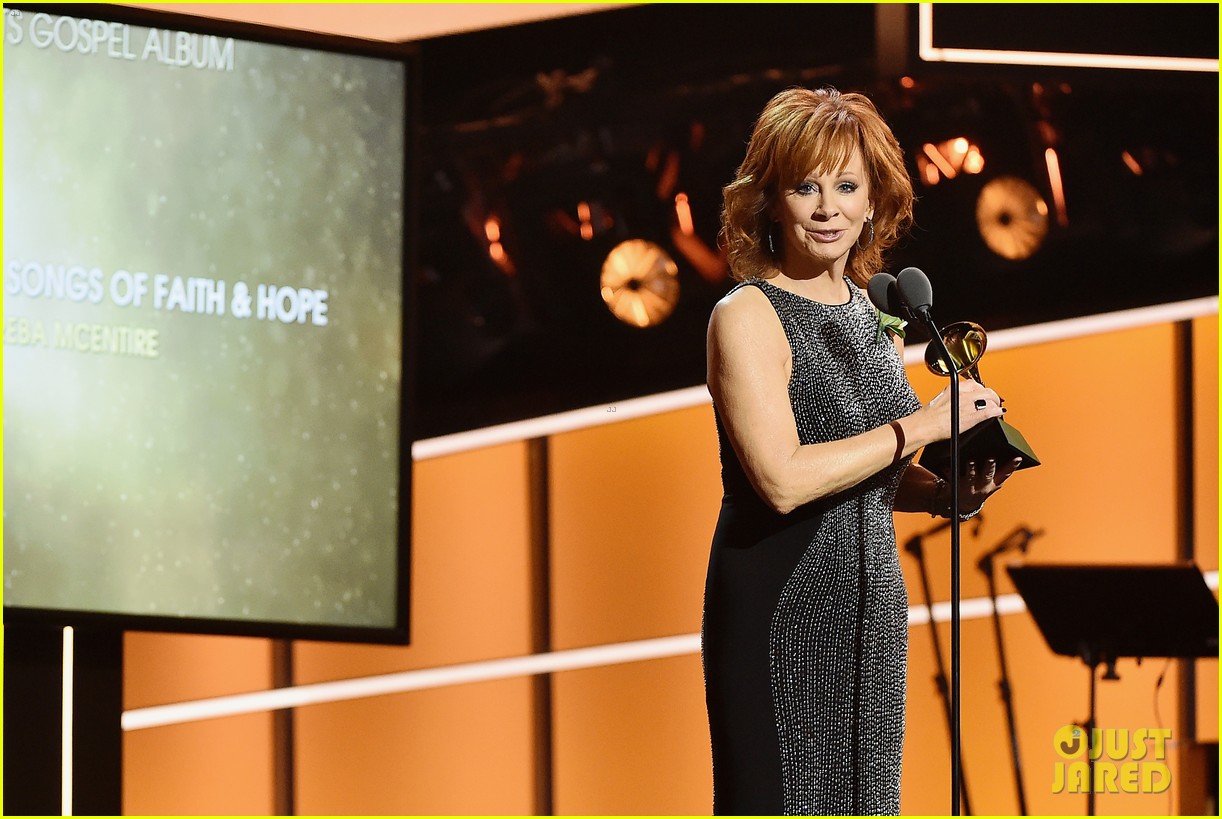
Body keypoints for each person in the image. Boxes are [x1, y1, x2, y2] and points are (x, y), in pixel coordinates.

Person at [701, 86, 1022, 815]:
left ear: (874, 199)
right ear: (769, 200)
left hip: (871, 610)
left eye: (847, 187)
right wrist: (925, 427)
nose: (828, 208)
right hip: (780, 610)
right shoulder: (746, 314)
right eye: (805, 187)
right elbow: (783, 480)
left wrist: (944, 493)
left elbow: (866, 467)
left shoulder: (871, 311)